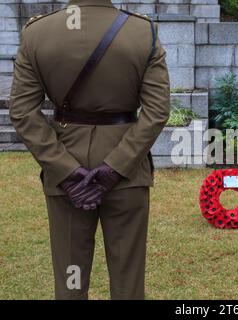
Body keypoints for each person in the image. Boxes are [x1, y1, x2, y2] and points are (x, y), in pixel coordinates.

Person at [10, 0, 170, 299]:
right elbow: (157, 112)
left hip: (67, 162)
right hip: (127, 170)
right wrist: (115, 168)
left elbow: (22, 112)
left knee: (71, 280)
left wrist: (66, 172)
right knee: (128, 282)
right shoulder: (141, 30)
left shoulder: (37, 33)